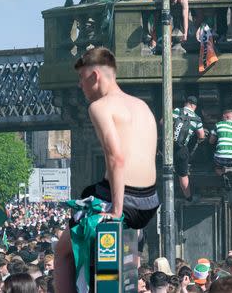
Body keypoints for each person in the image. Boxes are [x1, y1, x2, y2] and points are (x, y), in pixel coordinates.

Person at [55, 47, 160, 293]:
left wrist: (117, 210)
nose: (80, 86)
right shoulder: (142, 106)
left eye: (81, 79)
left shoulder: (100, 107)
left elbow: (116, 157)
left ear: (94, 75)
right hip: (149, 201)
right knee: (89, 194)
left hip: (125, 200)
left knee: (62, 253)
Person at [173, 96, 206, 201]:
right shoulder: (197, 118)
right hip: (182, 149)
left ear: (186, 103)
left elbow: (162, 122)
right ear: (193, 105)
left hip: (167, 146)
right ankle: (188, 197)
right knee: (183, 175)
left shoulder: (177, 111)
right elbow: (201, 136)